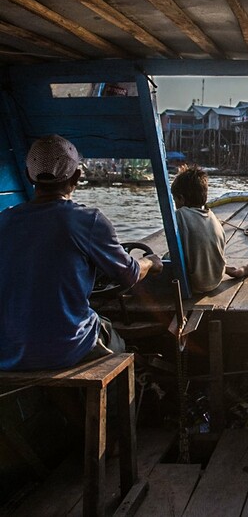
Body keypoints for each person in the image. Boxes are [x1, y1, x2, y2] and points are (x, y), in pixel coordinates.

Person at [0, 135, 162, 371]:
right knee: (117, 342)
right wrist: (150, 262)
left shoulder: (4, 220)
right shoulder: (88, 221)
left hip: (8, 351)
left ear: (28, 176)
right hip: (64, 348)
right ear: (77, 176)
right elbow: (128, 274)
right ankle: (122, 402)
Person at [171, 166, 248, 294]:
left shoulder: (180, 215)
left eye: (175, 199)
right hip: (216, 278)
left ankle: (230, 270)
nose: (175, 204)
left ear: (181, 198)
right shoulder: (212, 216)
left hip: (194, 285)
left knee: (158, 262)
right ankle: (232, 270)